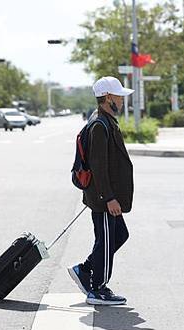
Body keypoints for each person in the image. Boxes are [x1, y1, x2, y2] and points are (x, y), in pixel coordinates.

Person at [68, 76, 134, 306]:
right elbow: (98, 166)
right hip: (104, 199)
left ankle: (85, 270)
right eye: (119, 96)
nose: (123, 101)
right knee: (105, 241)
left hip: (107, 197)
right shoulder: (99, 125)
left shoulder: (106, 120)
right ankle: (97, 288)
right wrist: (109, 198)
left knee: (119, 235)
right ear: (107, 98)